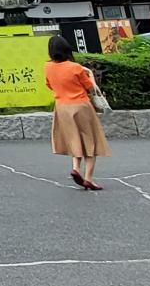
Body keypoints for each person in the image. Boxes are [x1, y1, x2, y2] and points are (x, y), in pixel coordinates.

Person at [45, 36, 110, 190]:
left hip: (61, 107)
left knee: (74, 139)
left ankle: (75, 168)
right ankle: (88, 178)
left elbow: (49, 85)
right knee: (90, 141)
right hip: (81, 105)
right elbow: (90, 87)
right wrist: (91, 75)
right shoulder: (76, 68)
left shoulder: (47, 67)